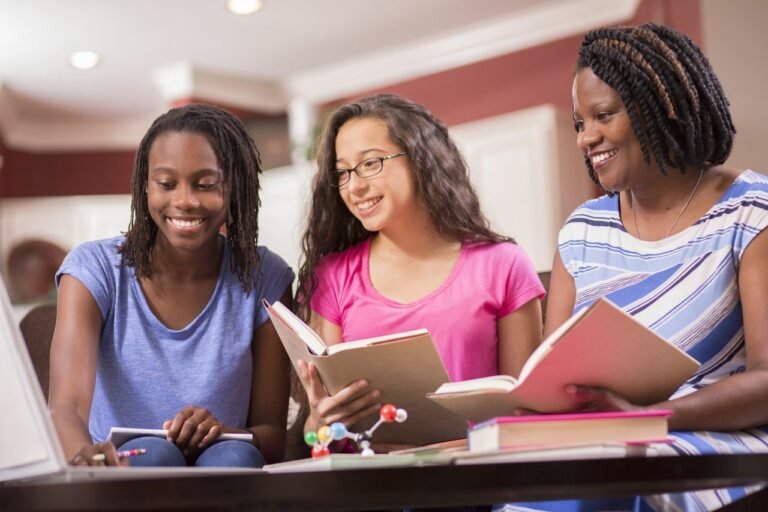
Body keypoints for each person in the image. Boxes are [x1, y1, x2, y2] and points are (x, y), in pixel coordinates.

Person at [497, 23, 768, 512]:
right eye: (581, 123)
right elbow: (553, 379)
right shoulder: (581, 232)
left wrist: (650, 416)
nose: (586, 138)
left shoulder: (750, 213)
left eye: (603, 116)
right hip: (606, 443)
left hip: (720, 444)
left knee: (603, 482)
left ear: (661, 107)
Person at [49, 104, 294, 468]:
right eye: (166, 184)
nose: (184, 201)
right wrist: (85, 456)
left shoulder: (265, 277)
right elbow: (65, 408)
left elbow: (271, 436)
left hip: (227, 467)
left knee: (235, 455)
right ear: (144, 187)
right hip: (124, 472)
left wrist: (225, 432)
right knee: (154, 454)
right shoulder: (93, 270)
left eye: (206, 184)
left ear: (236, 187)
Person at [296, 93, 545, 440]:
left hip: (474, 476)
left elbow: (526, 412)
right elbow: (317, 432)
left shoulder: (502, 264)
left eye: (370, 163)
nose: (355, 186)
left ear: (420, 159)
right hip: (367, 480)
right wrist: (318, 425)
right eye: (343, 172)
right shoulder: (333, 277)